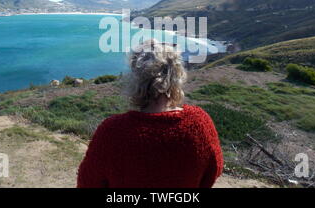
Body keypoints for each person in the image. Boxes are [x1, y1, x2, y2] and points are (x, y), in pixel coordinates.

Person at [77, 39, 223, 188]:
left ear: (135, 79)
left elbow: (87, 183)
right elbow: (213, 171)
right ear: (177, 76)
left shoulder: (112, 131)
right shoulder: (200, 123)